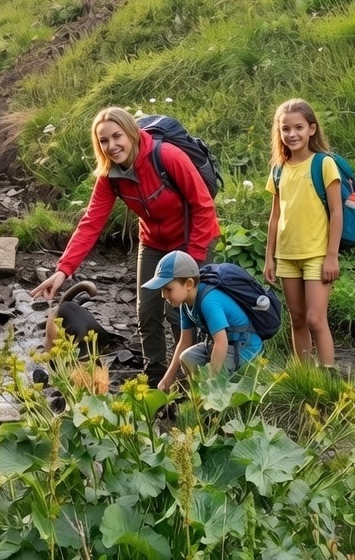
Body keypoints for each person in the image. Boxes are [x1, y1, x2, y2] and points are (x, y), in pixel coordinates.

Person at [30, 107, 220, 385]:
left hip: (192, 239)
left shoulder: (167, 156)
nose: (111, 146)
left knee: (178, 312)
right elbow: (91, 222)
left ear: (131, 132)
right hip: (154, 241)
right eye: (103, 141)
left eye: (117, 136)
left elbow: (204, 207)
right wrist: (63, 270)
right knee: (147, 311)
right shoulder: (110, 176)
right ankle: (155, 376)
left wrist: (189, 261)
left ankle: (190, 377)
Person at [262, 98, 341, 366]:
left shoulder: (324, 163)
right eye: (285, 129)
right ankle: (306, 378)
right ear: (279, 132)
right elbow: (275, 216)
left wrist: (332, 255)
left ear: (311, 129)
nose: (292, 134)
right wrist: (269, 257)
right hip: (287, 256)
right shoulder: (278, 170)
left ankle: (329, 377)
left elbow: (337, 212)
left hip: (317, 255)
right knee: (296, 320)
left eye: (298, 127)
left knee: (315, 319)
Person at [143, 251, 263, 392]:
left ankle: (216, 399)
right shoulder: (185, 305)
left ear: (189, 283)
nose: (164, 295)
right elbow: (185, 342)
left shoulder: (209, 302)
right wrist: (168, 377)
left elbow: (221, 343)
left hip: (244, 345)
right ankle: (198, 395)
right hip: (220, 344)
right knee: (187, 358)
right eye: (162, 290)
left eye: (168, 289)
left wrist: (212, 382)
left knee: (219, 378)